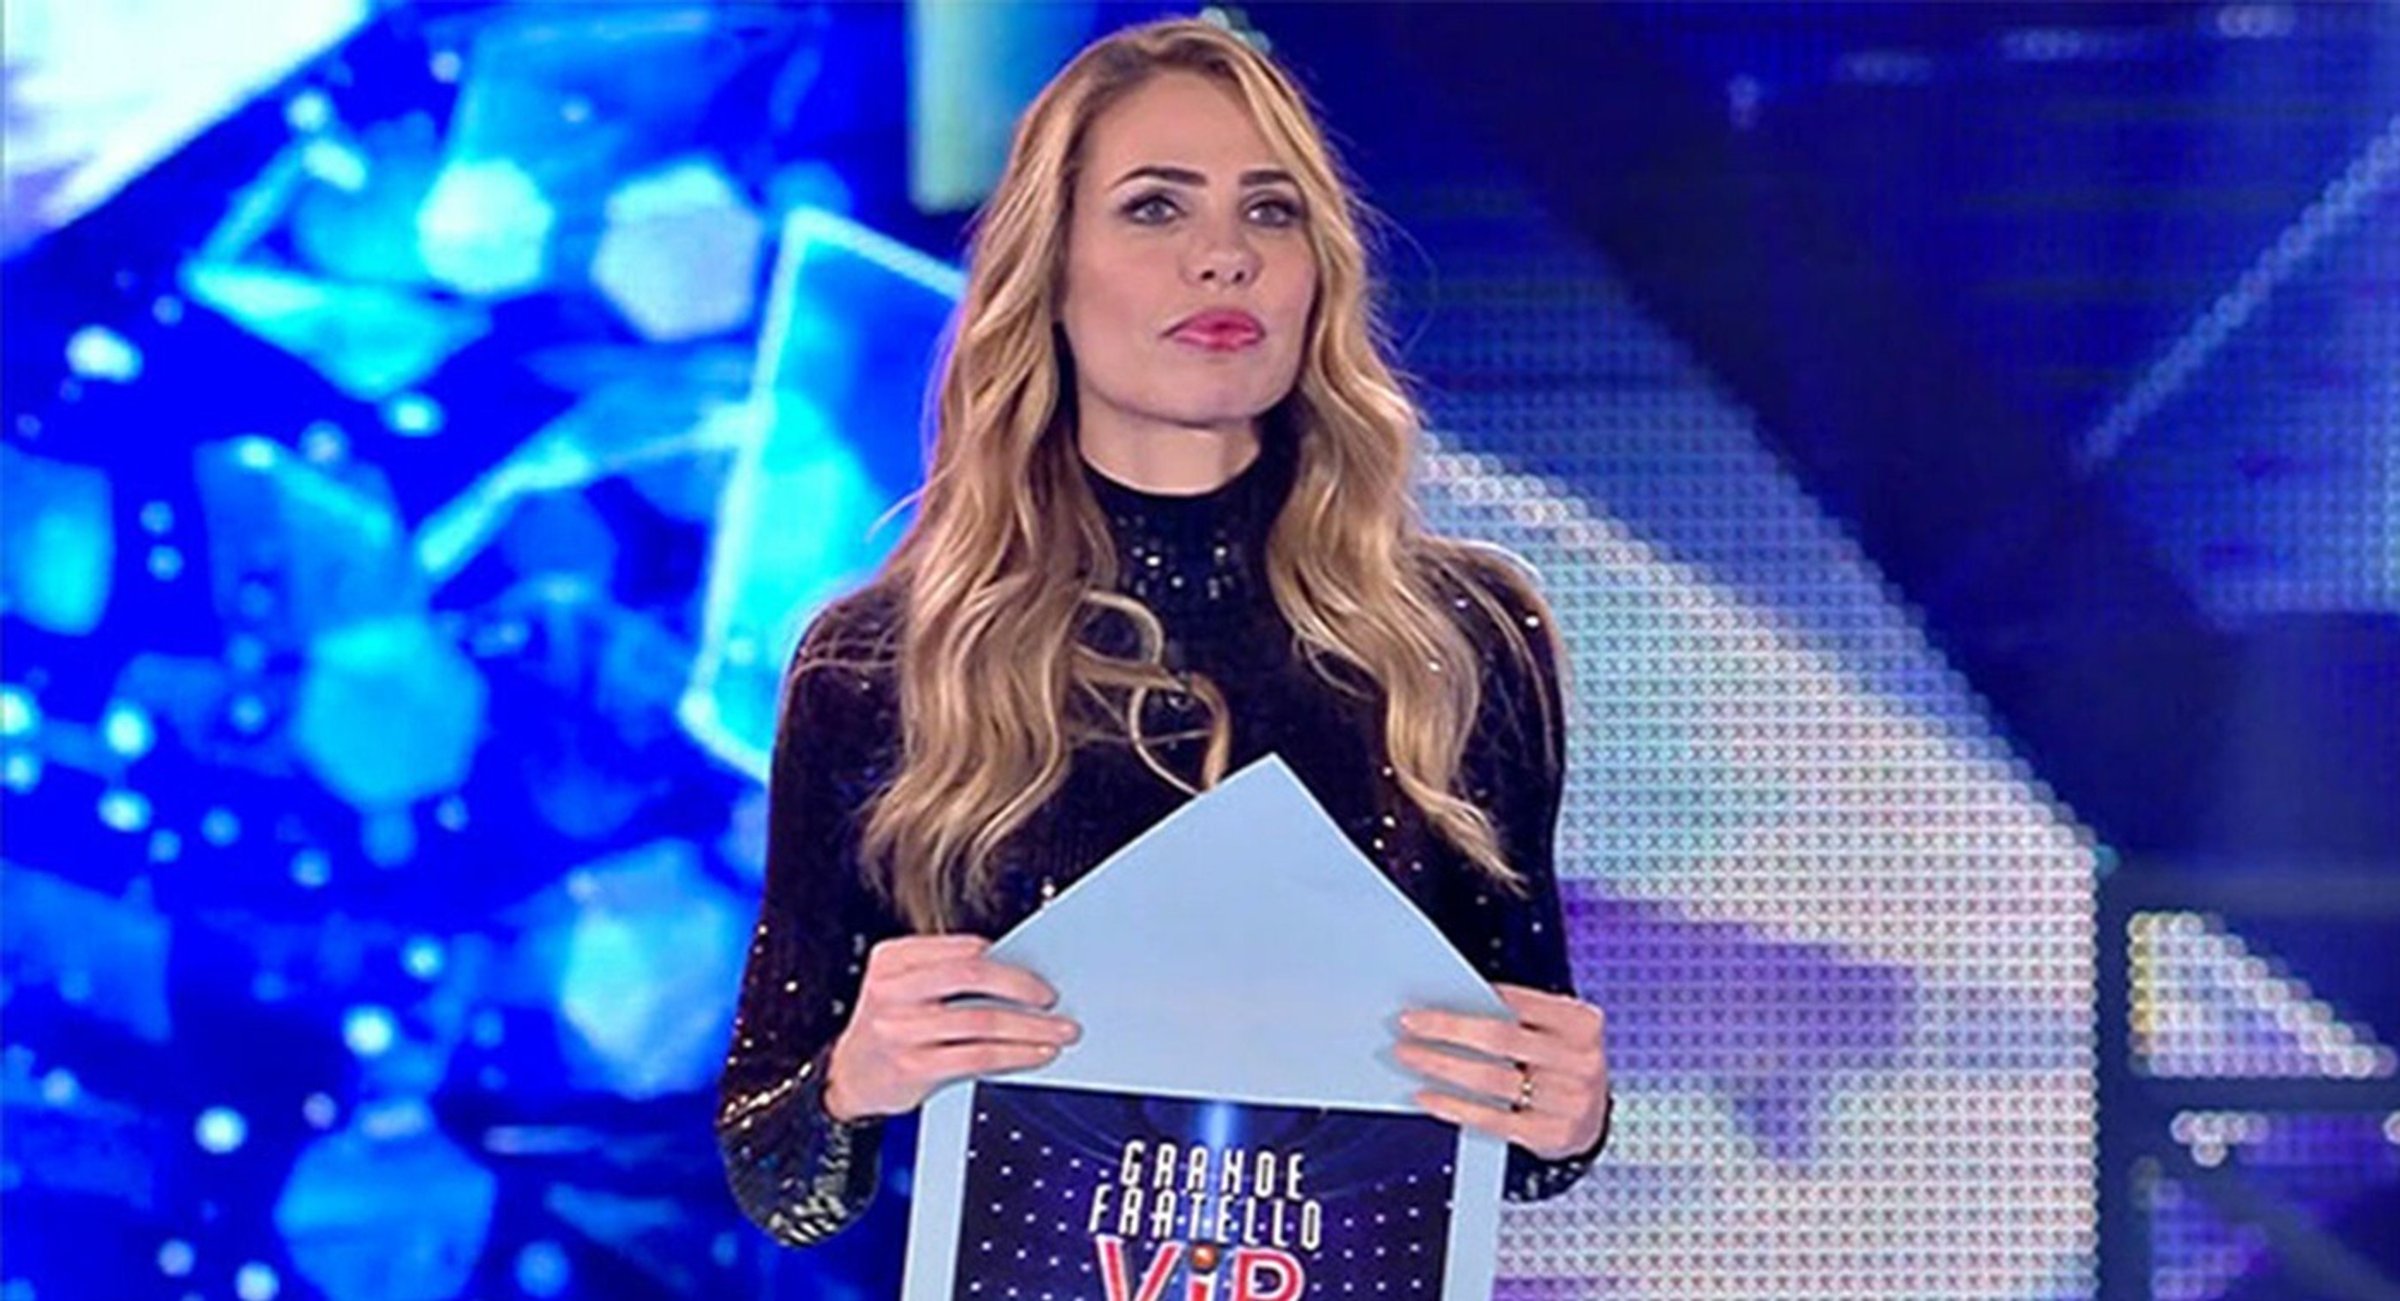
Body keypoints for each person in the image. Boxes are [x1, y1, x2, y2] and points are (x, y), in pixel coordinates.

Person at [717, 16, 1612, 1251]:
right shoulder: (883, 663)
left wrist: (1566, 1111)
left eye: (1271, 211)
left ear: (1318, 274)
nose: (1225, 258)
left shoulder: (1462, 637)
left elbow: (1518, 1138)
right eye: (1155, 208)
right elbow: (776, 1172)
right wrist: (852, 1080)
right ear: (1049, 272)